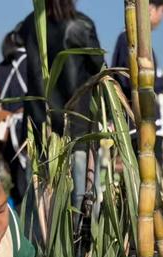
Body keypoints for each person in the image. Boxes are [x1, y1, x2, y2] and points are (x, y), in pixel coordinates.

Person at [18, 0, 105, 214]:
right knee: (82, 196)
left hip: (41, 125)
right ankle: (83, 247)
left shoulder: (31, 23)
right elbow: (99, 67)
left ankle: (38, 247)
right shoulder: (82, 24)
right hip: (77, 124)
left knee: (39, 200)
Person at [111, 0, 163, 168]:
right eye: (162, 12)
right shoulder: (128, 40)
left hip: (143, 125)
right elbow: (133, 80)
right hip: (137, 125)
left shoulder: (134, 41)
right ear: (150, 9)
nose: (161, 18)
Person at [0, 27, 29, 207]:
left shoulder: (0, 68)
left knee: (16, 176)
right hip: (26, 124)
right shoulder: (31, 60)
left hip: (4, 124)